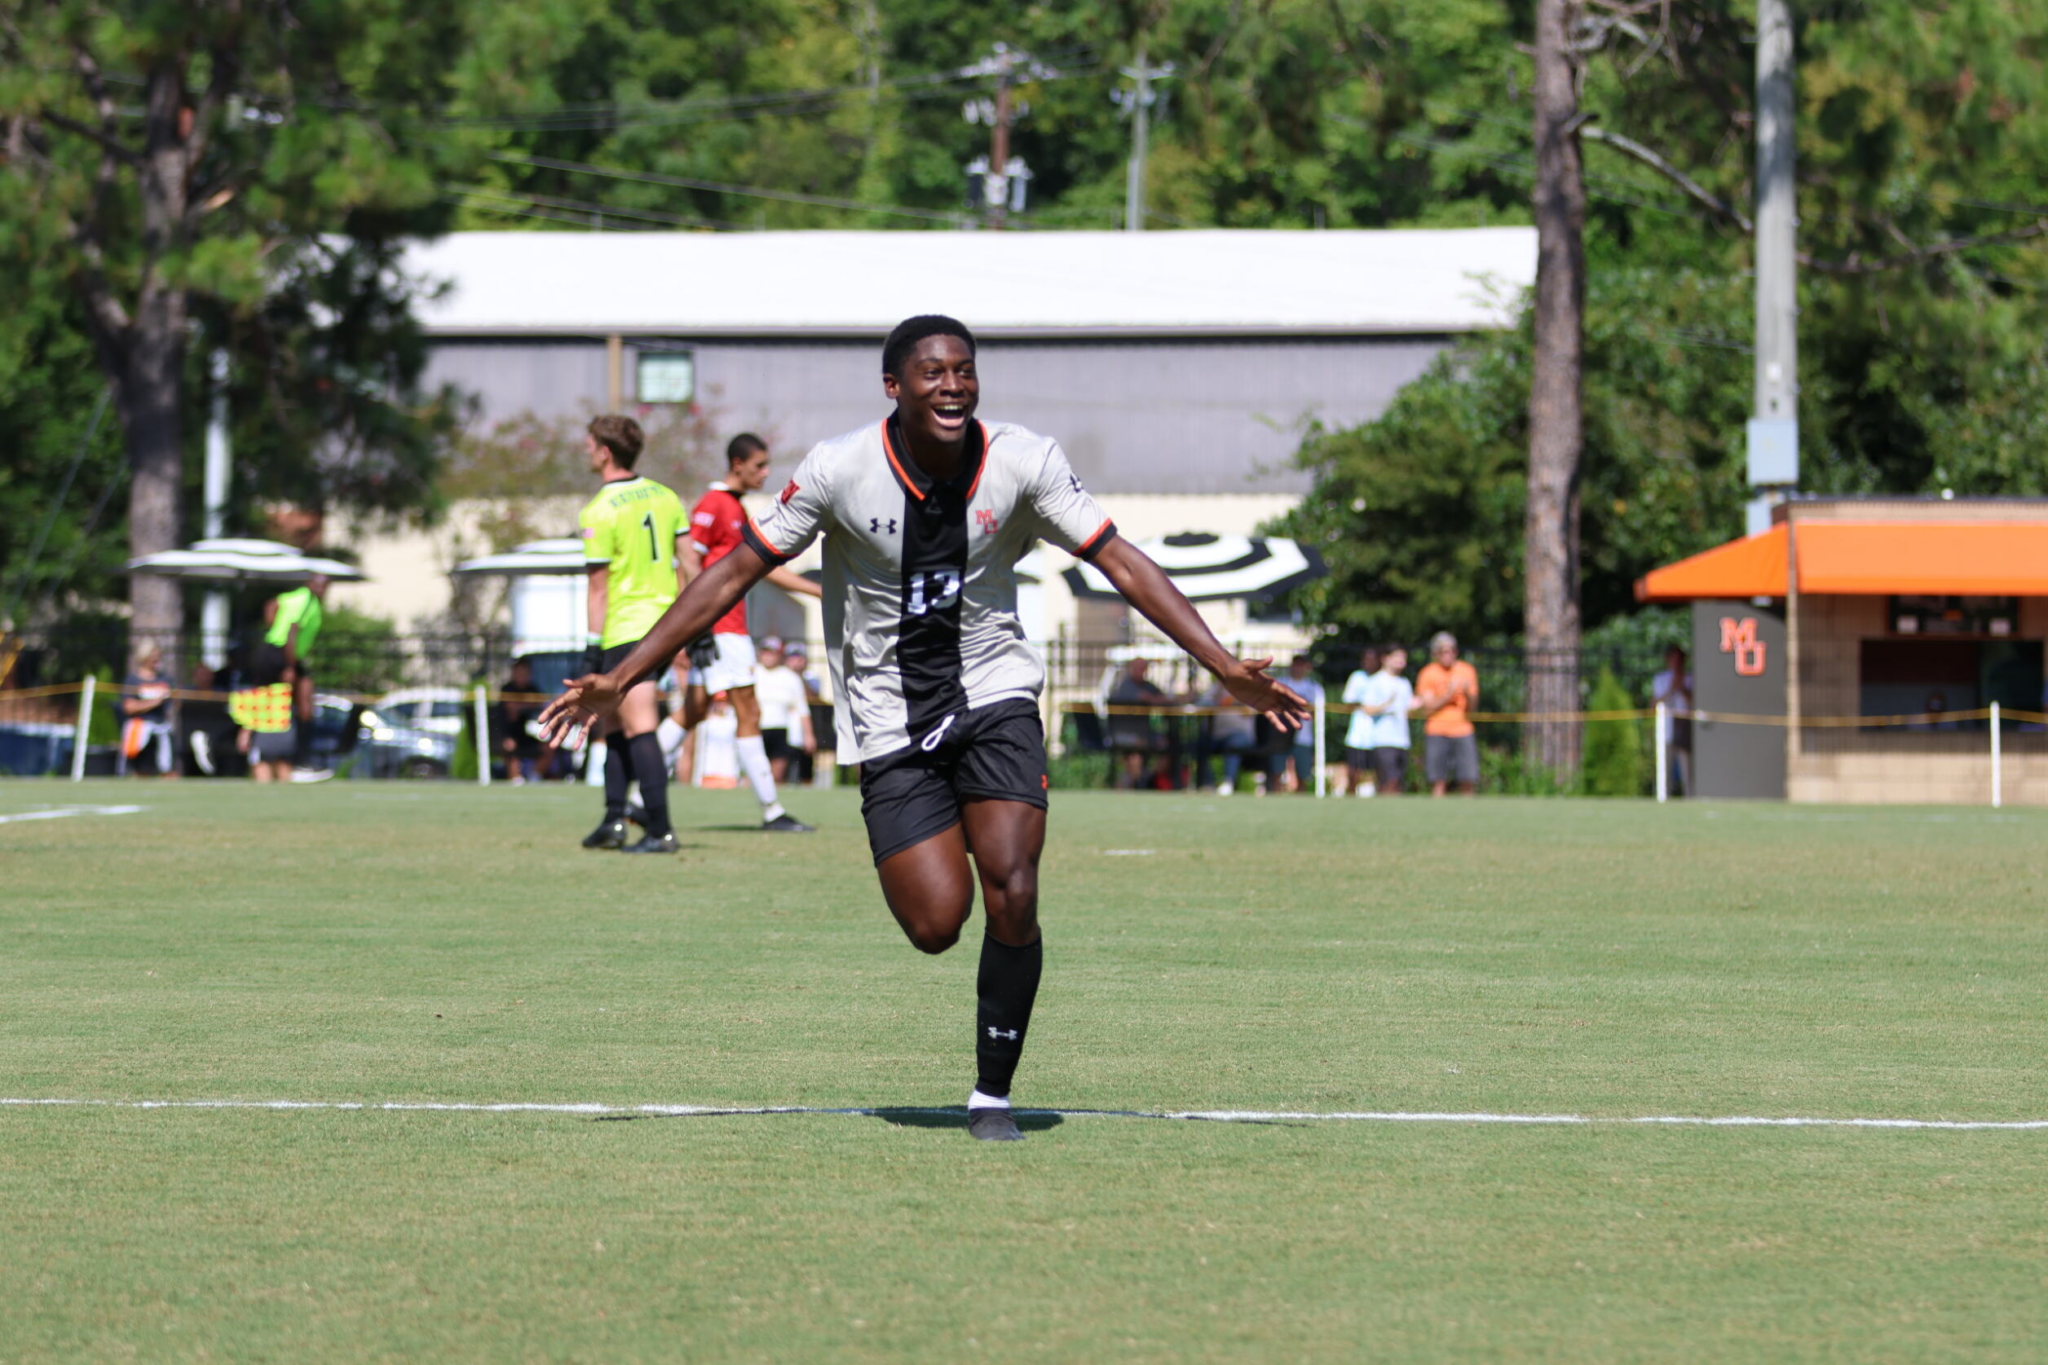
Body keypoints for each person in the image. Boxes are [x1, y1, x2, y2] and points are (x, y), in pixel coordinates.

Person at [542, 314, 1309, 1141]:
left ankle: (992, 1092)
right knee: (937, 924)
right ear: (895, 386)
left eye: (964, 371)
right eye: (933, 372)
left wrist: (1220, 660)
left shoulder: (1025, 459)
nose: (952, 385)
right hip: (885, 715)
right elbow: (731, 571)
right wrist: (625, 672)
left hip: (995, 693)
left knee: (1013, 884)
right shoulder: (840, 470)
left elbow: (1117, 558)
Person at [678, 434, 825, 832]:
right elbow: (688, 559)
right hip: (722, 627)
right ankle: (772, 810)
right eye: (759, 465)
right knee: (750, 712)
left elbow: (762, 568)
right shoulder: (715, 504)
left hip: (723, 626)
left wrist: (818, 591)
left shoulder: (737, 509)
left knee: (691, 712)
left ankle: (639, 799)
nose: (765, 472)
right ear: (737, 464)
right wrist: (698, 624)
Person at [577, 414, 689, 853]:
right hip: (668, 624)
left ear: (605, 451)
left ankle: (659, 829)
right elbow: (690, 566)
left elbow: (598, 586)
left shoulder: (599, 510)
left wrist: (590, 649)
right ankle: (613, 819)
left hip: (627, 627)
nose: (586, 451)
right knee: (614, 723)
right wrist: (697, 630)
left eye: (589, 445)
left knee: (639, 723)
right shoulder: (666, 496)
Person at [255, 573, 330, 779]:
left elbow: (272, 604)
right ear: (309, 584)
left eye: (325, 586)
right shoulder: (304, 600)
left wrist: (272, 623)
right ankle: (296, 759)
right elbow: (291, 631)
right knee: (289, 706)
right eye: (318, 585)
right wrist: (289, 666)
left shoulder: (299, 598)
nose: (322, 589)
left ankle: (296, 759)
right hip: (279, 654)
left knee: (304, 706)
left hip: (286, 655)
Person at [1415, 631, 1480, 797]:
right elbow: (1428, 708)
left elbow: (1473, 708)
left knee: (1468, 778)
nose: (1448, 654)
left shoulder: (1467, 670)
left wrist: (1467, 693)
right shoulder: (1428, 673)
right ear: (1435, 653)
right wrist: (1448, 694)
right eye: (1443, 651)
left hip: (1463, 729)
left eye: (1452, 650)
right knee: (1438, 779)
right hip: (1436, 730)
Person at [753, 637, 816, 783]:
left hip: (780, 728)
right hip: (755, 727)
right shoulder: (753, 672)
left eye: (772, 653)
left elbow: (802, 709)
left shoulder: (790, 677)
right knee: (755, 772)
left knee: (778, 774)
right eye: (765, 652)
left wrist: (808, 735)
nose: (768, 657)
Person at [1358, 645, 1416, 797]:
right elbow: (1367, 709)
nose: (1401, 661)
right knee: (1389, 781)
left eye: (1403, 658)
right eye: (1398, 657)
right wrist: (1386, 705)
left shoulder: (1404, 683)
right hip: (1383, 739)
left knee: (1398, 783)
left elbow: (1408, 709)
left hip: (1402, 739)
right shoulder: (1376, 681)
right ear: (1386, 658)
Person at [118, 643, 178, 778]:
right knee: (141, 770)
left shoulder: (165, 679)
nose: (156, 661)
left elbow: (174, 704)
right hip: (140, 728)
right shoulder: (133, 680)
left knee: (168, 769)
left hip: (161, 728)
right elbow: (129, 706)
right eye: (153, 658)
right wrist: (154, 702)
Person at [1270, 655, 1324, 794]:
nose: (1298, 669)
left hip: (1303, 737)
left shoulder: (1314, 687)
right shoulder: (1281, 683)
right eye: (1296, 665)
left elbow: (1317, 713)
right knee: (1276, 771)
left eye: (1301, 665)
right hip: (1281, 735)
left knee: (1303, 775)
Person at [498, 656, 549, 785]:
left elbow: (542, 705)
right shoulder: (507, 689)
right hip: (507, 734)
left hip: (524, 735)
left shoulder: (532, 689)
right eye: (519, 672)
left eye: (525, 672)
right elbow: (511, 710)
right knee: (510, 745)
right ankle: (515, 779)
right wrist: (525, 705)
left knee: (549, 747)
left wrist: (524, 705)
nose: (522, 675)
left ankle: (534, 777)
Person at [1338, 647, 1382, 795]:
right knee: (1354, 771)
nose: (1367, 663)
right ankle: (1351, 796)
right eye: (1365, 660)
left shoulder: (1383, 678)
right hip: (1358, 734)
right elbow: (1348, 700)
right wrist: (1364, 706)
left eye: (1371, 660)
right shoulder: (1357, 677)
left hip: (1379, 735)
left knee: (1378, 772)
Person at [1650, 645, 1693, 796]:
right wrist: (1671, 689)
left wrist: (1681, 688)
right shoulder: (1660, 679)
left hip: (1684, 728)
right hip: (1666, 728)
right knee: (1664, 768)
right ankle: (1664, 796)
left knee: (1686, 767)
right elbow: (1653, 704)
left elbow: (1694, 701)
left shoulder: (1690, 678)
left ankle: (1689, 796)